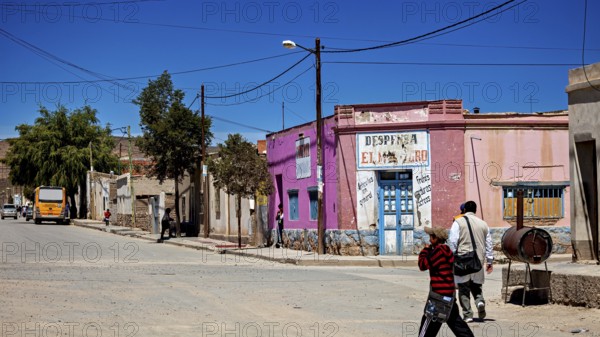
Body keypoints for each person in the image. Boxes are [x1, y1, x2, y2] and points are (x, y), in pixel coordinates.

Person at [418, 226, 474, 337]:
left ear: (435, 238)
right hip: (448, 295)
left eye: (431, 236)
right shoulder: (446, 250)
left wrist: (426, 250)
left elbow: (423, 264)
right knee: (457, 325)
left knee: (427, 327)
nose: (429, 239)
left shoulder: (438, 251)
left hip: (439, 297)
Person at [447, 200, 494, 323]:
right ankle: (479, 302)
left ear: (464, 210)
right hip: (478, 260)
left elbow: (452, 241)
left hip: (462, 260)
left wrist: (452, 256)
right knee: (476, 286)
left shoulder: (458, 222)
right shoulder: (483, 224)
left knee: (463, 288)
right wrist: (489, 261)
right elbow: (489, 243)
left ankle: (468, 314)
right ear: (475, 210)